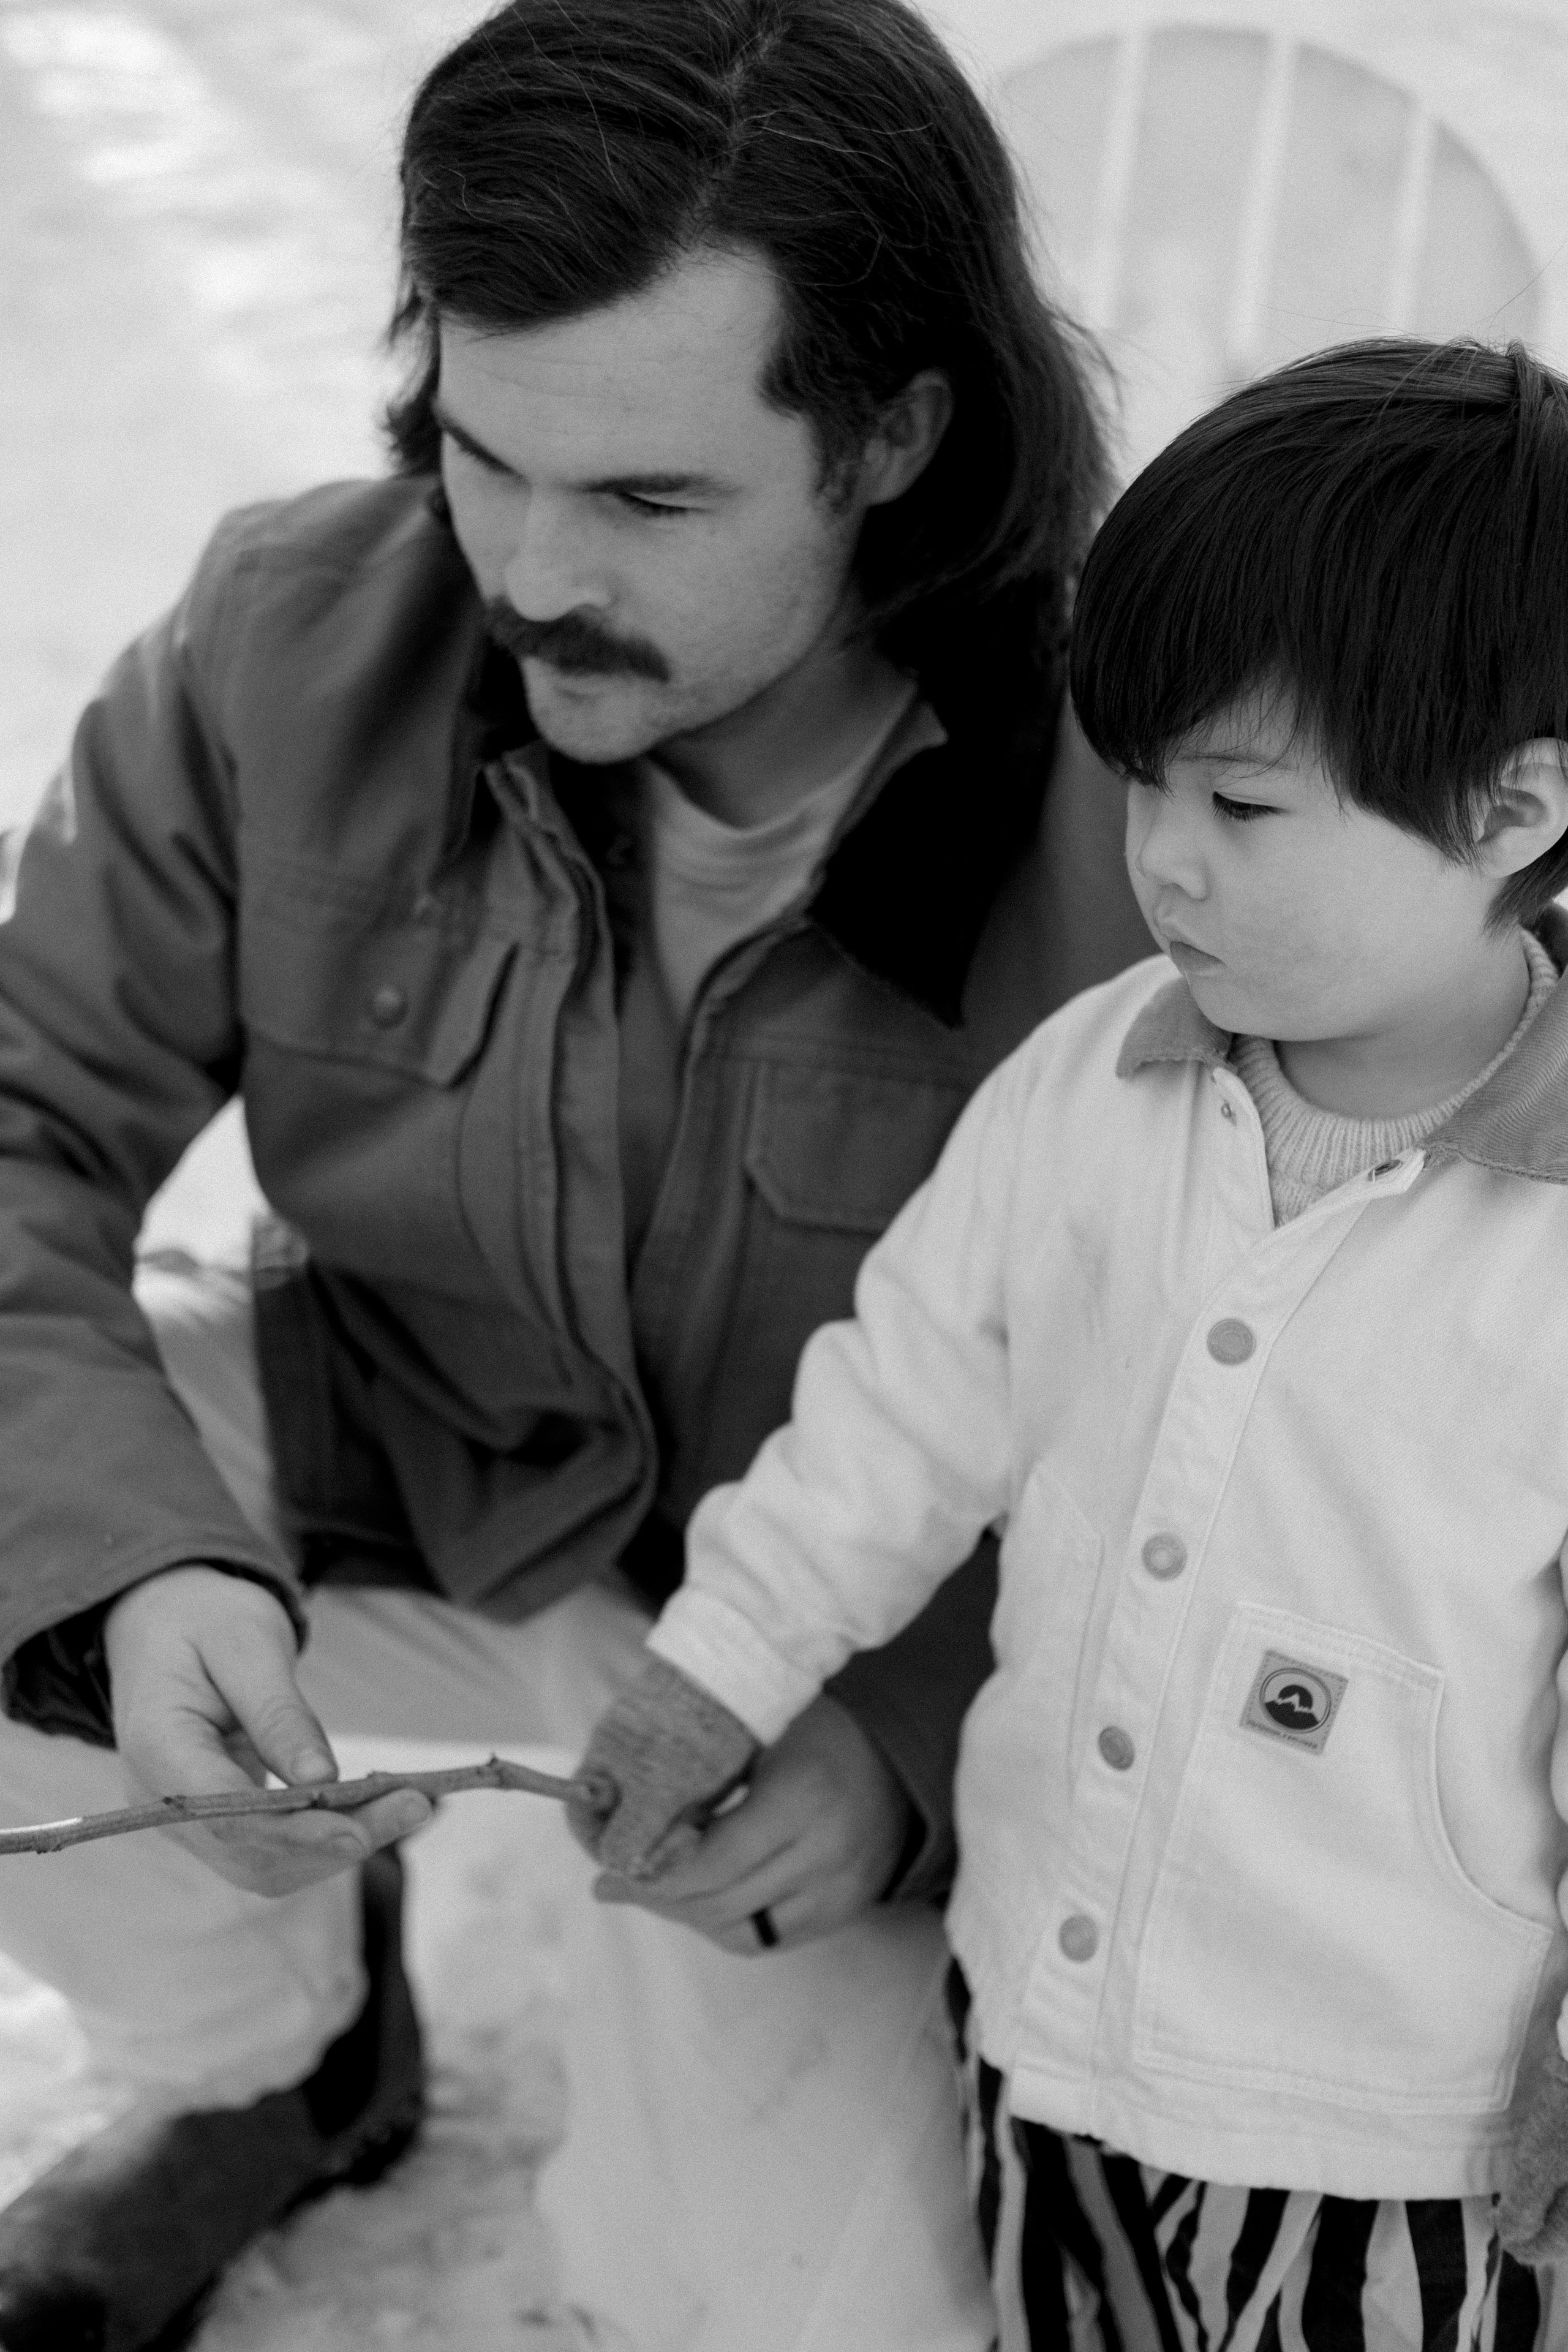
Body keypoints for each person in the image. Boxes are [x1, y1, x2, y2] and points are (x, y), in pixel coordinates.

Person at [0, 2, 1155, 2345]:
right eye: (480, 453)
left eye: (646, 501)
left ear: (895, 437)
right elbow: (21, 1123)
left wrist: (912, 1749)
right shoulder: (285, 638)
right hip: (400, 1465)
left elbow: (1272, 1409)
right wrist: (135, 1574)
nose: (525, 572)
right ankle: (266, 2073)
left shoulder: (1159, 818)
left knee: (801, 2311)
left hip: (845, 1651)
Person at [573, 338, 1568, 2350]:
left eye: (1244, 803)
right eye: (1143, 784)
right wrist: (719, 1664)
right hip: (1048, 2007)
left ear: (1509, 810)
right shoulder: (1093, 1086)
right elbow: (900, 1406)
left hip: (1395, 2121)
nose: (1165, 857)